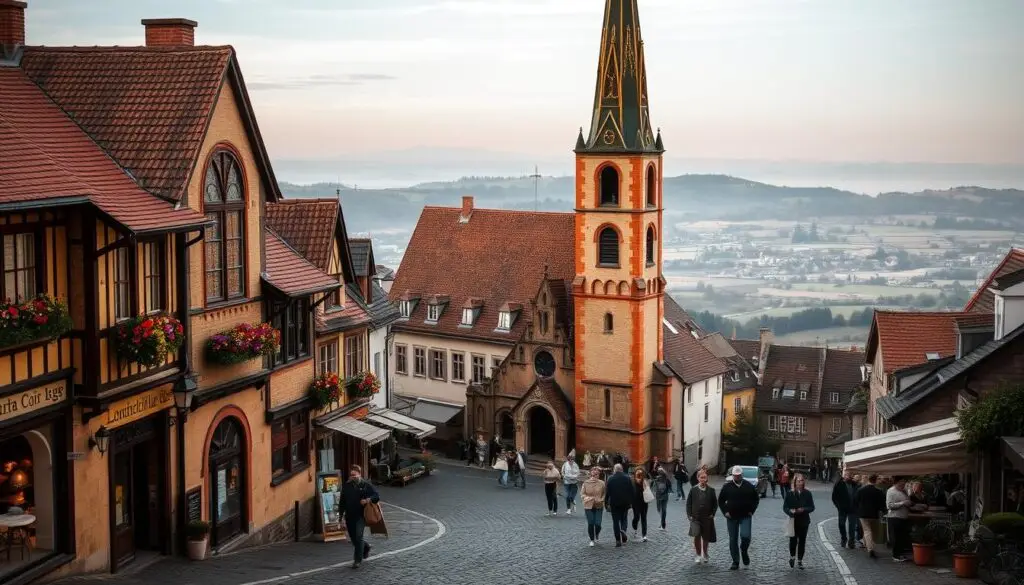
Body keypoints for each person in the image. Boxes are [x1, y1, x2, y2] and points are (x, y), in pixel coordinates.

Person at [719, 465, 760, 570]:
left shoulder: (748, 486)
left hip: (746, 515)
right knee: (733, 539)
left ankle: (744, 550)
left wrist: (752, 510)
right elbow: (721, 501)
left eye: (738, 475)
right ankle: (735, 561)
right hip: (731, 516)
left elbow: (756, 499)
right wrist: (725, 511)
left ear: (742, 475)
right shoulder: (727, 487)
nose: (737, 477)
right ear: (732, 475)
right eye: (735, 475)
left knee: (746, 536)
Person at [340, 465, 379, 569]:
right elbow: (342, 502)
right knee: (354, 539)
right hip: (349, 516)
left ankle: (357, 560)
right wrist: (340, 517)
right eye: (351, 475)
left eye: (354, 475)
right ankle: (366, 547)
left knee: (358, 536)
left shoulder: (366, 485)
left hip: (361, 516)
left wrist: (367, 500)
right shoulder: (347, 486)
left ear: (359, 474)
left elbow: (376, 496)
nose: (352, 477)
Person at [783, 473, 815, 569]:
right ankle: (792, 557)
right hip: (793, 520)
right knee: (793, 540)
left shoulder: (807, 493)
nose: (800, 482)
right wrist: (790, 511)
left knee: (802, 541)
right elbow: (785, 507)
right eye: (799, 481)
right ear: (795, 482)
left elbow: (812, 507)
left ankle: (800, 560)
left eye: (802, 481)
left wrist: (804, 509)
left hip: (804, 520)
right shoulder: (789, 493)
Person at [687, 468, 717, 564]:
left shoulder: (711, 490)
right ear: (698, 478)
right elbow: (689, 504)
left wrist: (713, 513)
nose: (703, 479)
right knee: (697, 536)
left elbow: (715, 504)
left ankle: (705, 554)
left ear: (707, 478)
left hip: (707, 518)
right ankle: (698, 555)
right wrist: (689, 515)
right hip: (695, 517)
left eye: (704, 477)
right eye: (701, 477)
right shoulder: (693, 490)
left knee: (706, 537)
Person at [852, 474, 886, 559]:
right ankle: (869, 547)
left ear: (868, 480)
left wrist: (857, 510)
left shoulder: (861, 490)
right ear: (876, 480)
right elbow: (882, 504)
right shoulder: (879, 491)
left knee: (867, 531)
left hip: (863, 514)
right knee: (871, 531)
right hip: (874, 514)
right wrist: (884, 511)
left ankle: (869, 547)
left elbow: (855, 501)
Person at [886, 476, 914, 562]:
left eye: (904, 481)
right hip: (895, 517)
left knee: (902, 537)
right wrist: (902, 503)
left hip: (903, 517)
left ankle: (901, 554)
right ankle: (896, 555)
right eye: (902, 481)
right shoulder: (891, 491)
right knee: (896, 537)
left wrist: (909, 503)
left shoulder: (903, 491)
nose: (904, 483)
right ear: (897, 482)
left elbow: (907, 501)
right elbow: (889, 505)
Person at [605, 463, 633, 547]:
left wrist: (606, 502)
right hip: (625, 503)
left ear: (614, 470)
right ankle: (623, 531)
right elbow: (631, 491)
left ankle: (617, 540)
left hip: (614, 503)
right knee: (624, 518)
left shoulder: (610, 479)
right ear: (622, 469)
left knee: (615, 522)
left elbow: (608, 492)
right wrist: (631, 502)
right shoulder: (627, 478)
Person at [832, 469, 860, 549]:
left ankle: (851, 541)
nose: (849, 476)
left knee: (852, 526)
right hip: (842, 509)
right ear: (844, 475)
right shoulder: (838, 484)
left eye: (850, 475)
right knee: (841, 524)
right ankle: (843, 538)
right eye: (847, 474)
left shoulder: (855, 484)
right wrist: (838, 506)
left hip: (853, 509)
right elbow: (834, 497)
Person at [581, 467, 606, 547]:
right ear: (590, 474)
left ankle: (597, 534)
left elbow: (605, 493)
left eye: (597, 474)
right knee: (591, 522)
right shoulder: (586, 483)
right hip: (588, 505)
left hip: (599, 505)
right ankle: (592, 539)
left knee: (598, 524)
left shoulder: (602, 483)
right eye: (594, 474)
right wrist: (588, 498)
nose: (595, 475)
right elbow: (582, 494)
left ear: (599, 475)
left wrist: (602, 499)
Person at [630, 468, 650, 541]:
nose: (639, 475)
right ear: (635, 474)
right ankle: (635, 526)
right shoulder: (632, 481)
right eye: (638, 473)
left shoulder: (645, 481)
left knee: (644, 518)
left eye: (641, 474)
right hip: (635, 502)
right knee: (636, 517)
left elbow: (648, 489)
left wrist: (645, 483)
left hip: (644, 502)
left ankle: (644, 535)